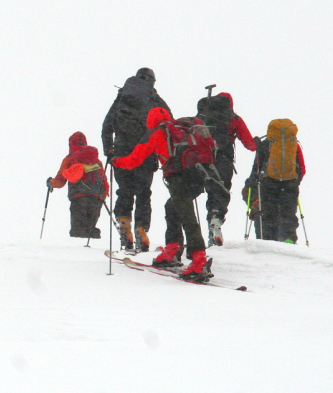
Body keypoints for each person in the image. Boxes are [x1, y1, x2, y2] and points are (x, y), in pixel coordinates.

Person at [112, 107, 215, 281]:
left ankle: (198, 260)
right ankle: (172, 250)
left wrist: (116, 161)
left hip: (179, 177)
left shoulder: (157, 133)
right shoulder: (183, 130)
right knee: (173, 207)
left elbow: (134, 161)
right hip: (200, 174)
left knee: (186, 216)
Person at [101, 67, 172, 251]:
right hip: (146, 152)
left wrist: (109, 151)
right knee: (143, 192)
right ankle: (141, 229)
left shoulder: (122, 97)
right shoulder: (156, 100)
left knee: (124, 190)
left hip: (121, 152)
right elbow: (168, 126)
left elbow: (107, 125)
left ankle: (124, 222)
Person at [196, 92, 257, 246]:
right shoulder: (233, 117)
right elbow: (250, 145)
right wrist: (258, 143)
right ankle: (216, 221)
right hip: (223, 159)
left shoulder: (203, 114)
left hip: (202, 159)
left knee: (208, 191)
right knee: (221, 191)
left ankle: (198, 229)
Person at [242, 119, 305, 243]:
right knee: (288, 213)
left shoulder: (265, 144)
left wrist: (252, 182)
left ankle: (267, 241)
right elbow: (302, 169)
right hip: (290, 184)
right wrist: (295, 182)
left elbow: (257, 167)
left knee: (268, 212)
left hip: (268, 183)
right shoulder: (294, 145)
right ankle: (289, 238)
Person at [47, 132, 109, 239]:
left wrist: (50, 182)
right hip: (97, 198)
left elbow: (60, 181)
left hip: (79, 197)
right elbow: (103, 179)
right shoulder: (96, 160)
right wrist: (103, 195)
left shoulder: (70, 158)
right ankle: (93, 250)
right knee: (90, 227)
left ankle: (77, 253)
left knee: (78, 229)